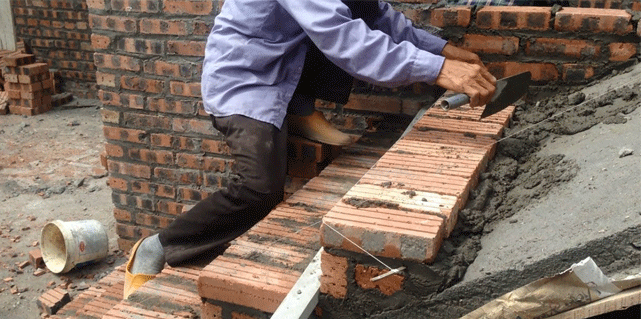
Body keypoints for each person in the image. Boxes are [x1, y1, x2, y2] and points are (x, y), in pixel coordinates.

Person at [123, 0, 496, 298]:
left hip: (285, 72)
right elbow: (342, 37)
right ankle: (157, 246)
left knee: (358, 8)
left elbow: (381, 17)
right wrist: (437, 70)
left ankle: (299, 108)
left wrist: (446, 51)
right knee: (259, 188)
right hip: (247, 82)